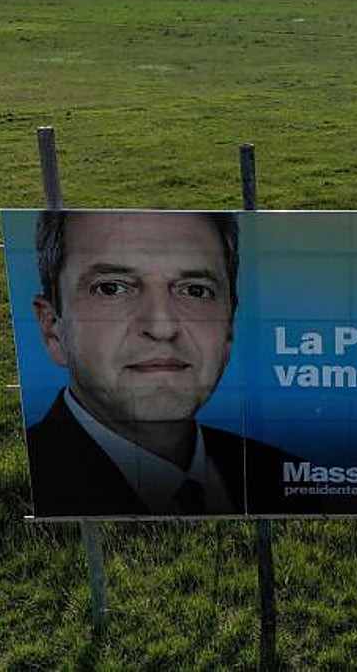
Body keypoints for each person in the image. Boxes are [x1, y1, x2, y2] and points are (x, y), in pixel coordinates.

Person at [27, 209, 276, 517]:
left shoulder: (282, 476)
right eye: (111, 288)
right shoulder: (24, 489)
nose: (162, 327)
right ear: (53, 329)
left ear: (229, 327)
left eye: (195, 290)